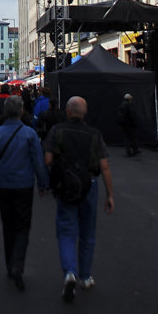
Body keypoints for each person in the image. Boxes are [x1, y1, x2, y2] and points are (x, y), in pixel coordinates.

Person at [44, 96, 114, 302]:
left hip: (66, 184)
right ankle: (85, 276)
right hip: (89, 184)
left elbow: (48, 159)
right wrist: (110, 194)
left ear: (67, 112)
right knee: (87, 232)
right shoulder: (94, 135)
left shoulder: (57, 131)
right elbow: (105, 166)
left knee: (66, 230)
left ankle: (69, 272)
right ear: (85, 114)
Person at [0, 95, 48, 290]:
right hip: (24, 184)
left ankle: (10, 264)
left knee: (7, 225)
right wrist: (42, 184)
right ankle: (18, 263)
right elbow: (38, 162)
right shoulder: (29, 134)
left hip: (3, 184)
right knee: (23, 225)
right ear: (22, 111)